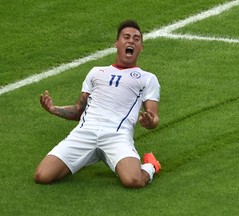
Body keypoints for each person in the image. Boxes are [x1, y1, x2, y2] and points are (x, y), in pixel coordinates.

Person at [34, 20, 161, 188]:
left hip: (117, 136)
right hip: (85, 132)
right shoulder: (96, 72)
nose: (131, 41)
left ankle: (151, 165)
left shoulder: (147, 78)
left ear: (141, 47)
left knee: (133, 181)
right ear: (117, 43)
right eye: (126, 37)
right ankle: (78, 160)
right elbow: (79, 110)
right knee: (42, 176)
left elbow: (154, 117)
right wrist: (53, 109)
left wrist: (150, 121)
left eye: (136, 39)